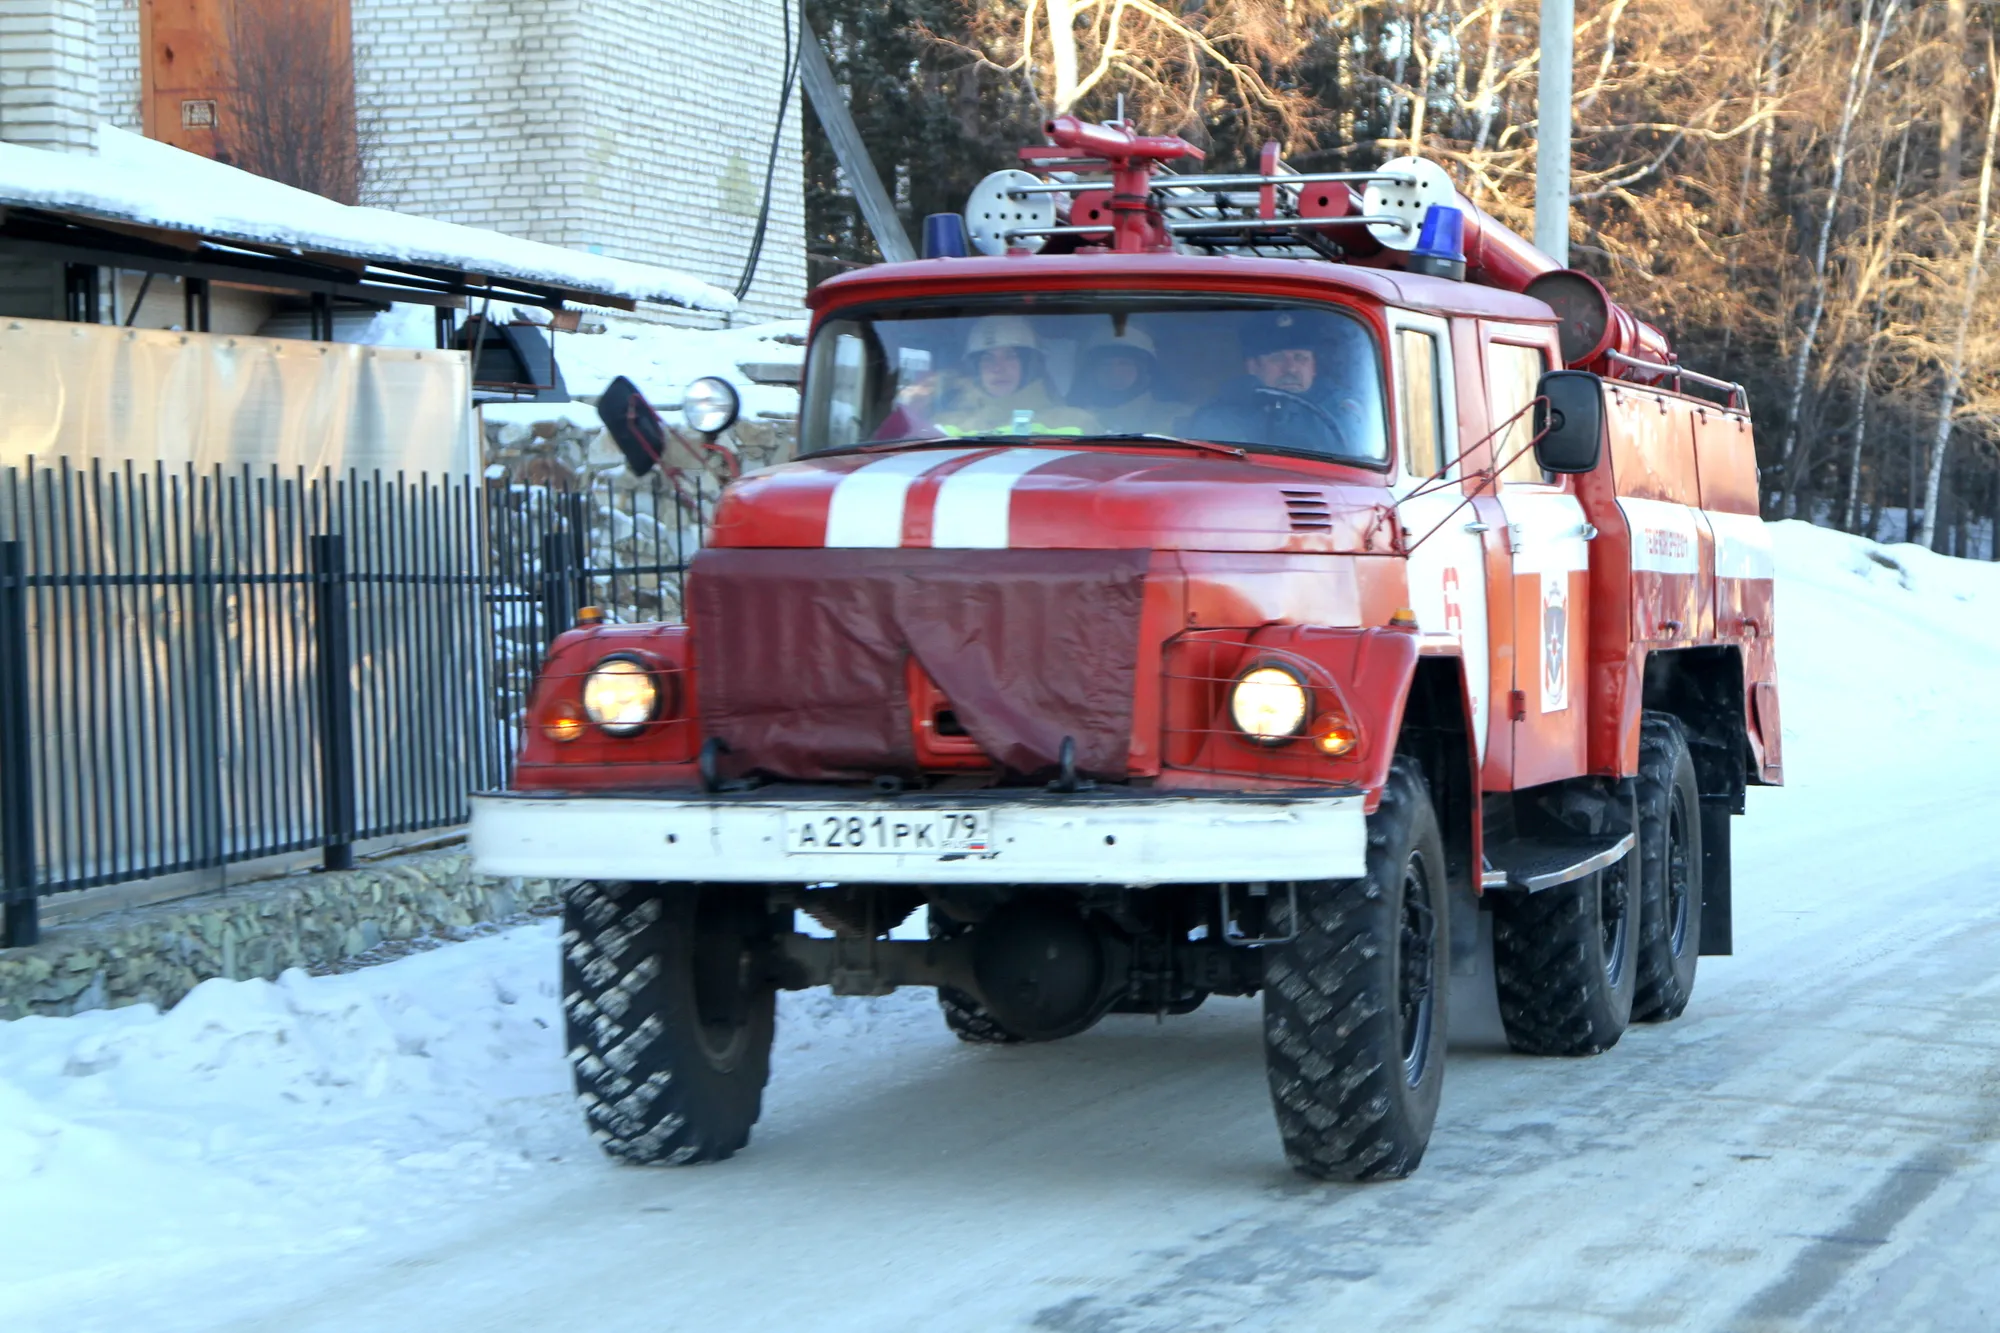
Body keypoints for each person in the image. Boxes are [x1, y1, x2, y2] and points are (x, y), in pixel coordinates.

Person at [1184, 312, 1359, 456]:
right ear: (1253, 366)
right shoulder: (1222, 414)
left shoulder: (1340, 414)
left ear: (1314, 367)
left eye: (1300, 358)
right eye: (1277, 359)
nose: (1291, 368)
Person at [890, 315, 1087, 438]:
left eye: (1010, 356)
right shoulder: (945, 424)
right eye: (987, 358)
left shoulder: (1074, 422)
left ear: (1030, 365)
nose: (997, 368)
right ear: (976, 368)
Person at [1067, 325, 1177, 434]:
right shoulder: (1071, 417)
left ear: (1143, 370)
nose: (1114, 372)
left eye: (1124, 364)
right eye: (1105, 364)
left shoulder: (1174, 417)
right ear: (1093, 371)